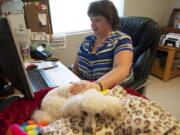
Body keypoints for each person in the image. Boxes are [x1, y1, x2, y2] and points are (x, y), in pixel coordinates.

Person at [70, 0, 133, 95]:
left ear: (110, 20)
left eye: (97, 20)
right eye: (91, 20)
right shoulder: (87, 40)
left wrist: (96, 86)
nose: (92, 24)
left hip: (107, 92)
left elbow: (122, 69)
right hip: (84, 90)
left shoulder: (121, 40)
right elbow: (75, 68)